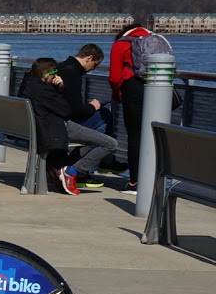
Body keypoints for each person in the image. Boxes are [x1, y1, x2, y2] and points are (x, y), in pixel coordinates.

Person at [109, 21, 167, 195]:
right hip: (157, 88)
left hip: (133, 88)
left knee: (135, 135)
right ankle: (155, 178)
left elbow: (114, 77)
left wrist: (118, 95)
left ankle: (135, 182)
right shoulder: (155, 40)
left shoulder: (121, 44)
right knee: (154, 133)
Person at [51, 43, 117, 190]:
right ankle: (82, 171)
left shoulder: (61, 67)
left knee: (100, 123)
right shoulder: (72, 73)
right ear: (89, 58)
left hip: (48, 122)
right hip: (60, 126)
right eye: (95, 64)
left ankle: (93, 165)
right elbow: (75, 112)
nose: (93, 69)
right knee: (104, 116)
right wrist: (92, 107)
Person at [20, 58, 85, 194]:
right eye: (54, 74)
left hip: (27, 131)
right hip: (47, 133)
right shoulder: (44, 90)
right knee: (108, 143)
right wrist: (61, 88)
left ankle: (57, 166)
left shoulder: (29, 85)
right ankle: (65, 169)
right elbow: (66, 110)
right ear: (46, 75)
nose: (56, 77)